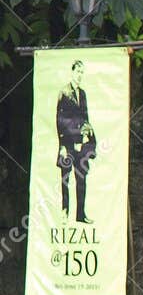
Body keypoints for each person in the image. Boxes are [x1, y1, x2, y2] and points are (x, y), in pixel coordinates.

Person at [56, 60, 95, 224]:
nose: (80, 75)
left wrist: (90, 137)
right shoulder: (64, 92)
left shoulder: (83, 94)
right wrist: (63, 146)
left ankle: (80, 214)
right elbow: (60, 121)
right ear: (72, 72)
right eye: (77, 71)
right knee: (65, 179)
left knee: (82, 179)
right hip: (68, 145)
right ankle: (64, 212)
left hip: (81, 145)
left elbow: (85, 118)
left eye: (82, 72)